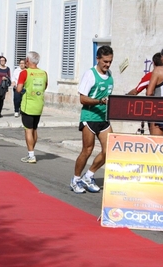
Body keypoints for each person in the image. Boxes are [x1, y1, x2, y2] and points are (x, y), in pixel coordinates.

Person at [70, 45, 114, 194]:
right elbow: (82, 99)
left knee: (109, 150)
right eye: (105, 61)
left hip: (104, 117)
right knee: (87, 150)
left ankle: (88, 176)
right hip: (89, 117)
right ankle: (75, 179)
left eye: (110, 62)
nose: (107, 65)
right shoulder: (90, 74)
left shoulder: (110, 74)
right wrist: (100, 101)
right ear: (98, 59)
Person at [16, 51, 48, 163]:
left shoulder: (24, 73)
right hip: (39, 105)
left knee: (28, 130)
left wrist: (22, 89)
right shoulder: (44, 73)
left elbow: (19, 89)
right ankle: (31, 152)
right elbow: (45, 87)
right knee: (34, 129)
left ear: (27, 60)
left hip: (28, 105)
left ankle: (31, 155)